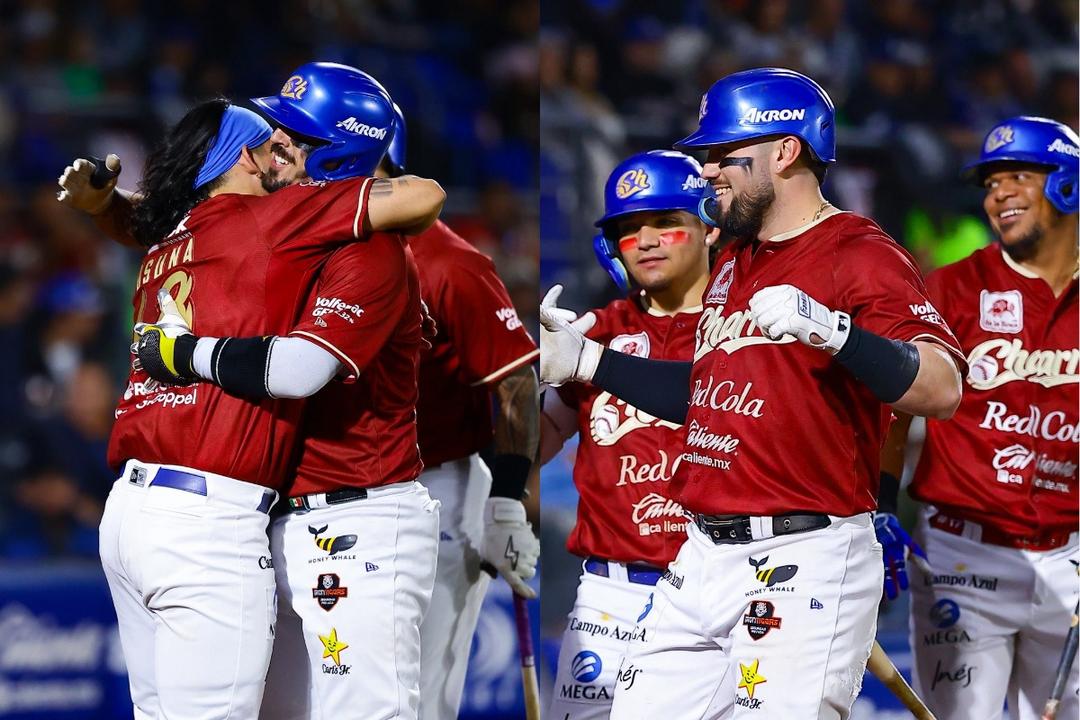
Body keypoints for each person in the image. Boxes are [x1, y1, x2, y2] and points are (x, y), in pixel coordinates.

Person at [61, 63, 537, 720]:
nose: (272, 145)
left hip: (372, 507)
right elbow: (176, 229)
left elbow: (305, 369)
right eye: (272, 134)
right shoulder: (278, 228)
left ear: (336, 153)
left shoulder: (388, 250)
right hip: (278, 513)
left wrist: (507, 498)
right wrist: (108, 206)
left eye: (290, 136)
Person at [539, 67, 965, 719]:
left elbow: (941, 387)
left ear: (785, 150)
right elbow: (708, 391)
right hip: (703, 557)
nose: (708, 170)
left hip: (803, 553)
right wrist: (593, 361)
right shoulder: (736, 257)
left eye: (721, 155)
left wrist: (836, 333)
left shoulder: (858, 251)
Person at [881, 116, 1078, 720]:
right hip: (963, 559)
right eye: (991, 183)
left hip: (1071, 555)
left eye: (1020, 176)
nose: (998, 195)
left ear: (1070, 184)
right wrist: (881, 509)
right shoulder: (951, 289)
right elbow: (889, 408)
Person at [376, 108, 542, 720]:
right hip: (328, 487)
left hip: (435, 481)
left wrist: (504, 500)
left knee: (416, 692)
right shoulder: (305, 243)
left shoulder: (448, 261)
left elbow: (516, 383)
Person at [541, 149, 712, 719]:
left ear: (709, 228)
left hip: (716, 591)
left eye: (666, 222)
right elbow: (534, 441)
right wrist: (524, 378)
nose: (646, 240)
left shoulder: (746, 328)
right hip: (608, 596)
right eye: (628, 228)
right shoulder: (597, 331)